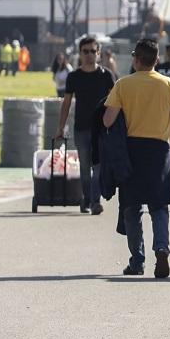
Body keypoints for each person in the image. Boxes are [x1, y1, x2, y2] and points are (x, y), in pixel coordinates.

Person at [103, 39, 170, 277]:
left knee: (132, 208)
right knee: (159, 206)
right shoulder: (168, 84)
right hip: (159, 152)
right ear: (157, 60)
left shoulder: (123, 84)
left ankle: (137, 261)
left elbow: (108, 120)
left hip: (131, 152)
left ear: (135, 59)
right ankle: (161, 248)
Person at [55, 36, 117, 214]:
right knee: (84, 166)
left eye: (93, 51)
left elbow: (115, 101)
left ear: (98, 53)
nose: (89, 55)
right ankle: (87, 199)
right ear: (80, 54)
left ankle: (95, 201)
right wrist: (61, 127)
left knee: (98, 165)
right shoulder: (74, 76)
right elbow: (66, 102)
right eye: (85, 51)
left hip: (102, 128)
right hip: (81, 127)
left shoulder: (106, 75)